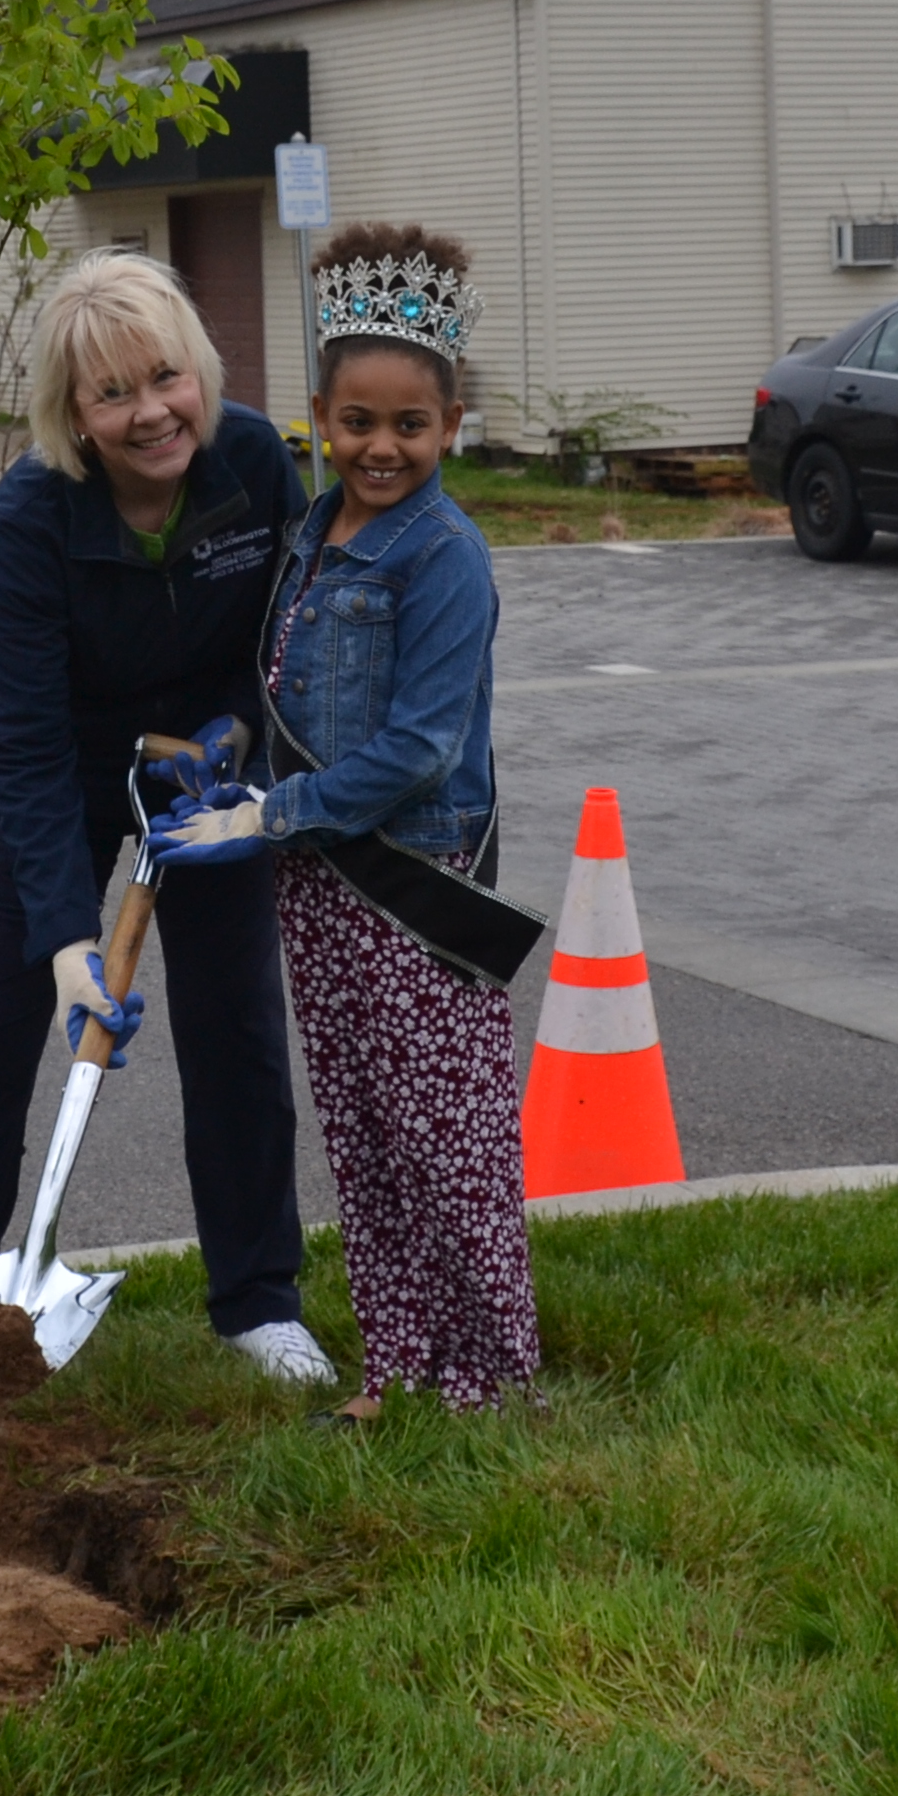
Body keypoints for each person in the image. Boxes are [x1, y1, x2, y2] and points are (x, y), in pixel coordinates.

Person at [0, 250, 336, 1401]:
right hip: (45, 769)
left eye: (166, 376)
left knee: (237, 1027)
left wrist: (239, 745)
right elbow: (22, 742)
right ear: (74, 415)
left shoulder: (253, 461)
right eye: (115, 394)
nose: (152, 412)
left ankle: (258, 1304)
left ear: (198, 370)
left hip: (203, 776)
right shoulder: (31, 516)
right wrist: (64, 945)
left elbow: (290, 652)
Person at [145, 221, 536, 1416]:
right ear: (321, 414)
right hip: (317, 884)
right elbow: (287, 687)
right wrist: (233, 757)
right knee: (364, 1137)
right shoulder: (316, 532)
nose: (381, 448)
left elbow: (418, 747)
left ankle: (492, 1378)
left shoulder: (446, 557)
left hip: (411, 885)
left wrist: (272, 815)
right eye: (358, 423)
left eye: (410, 426)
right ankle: (401, 1364)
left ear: (450, 428)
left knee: (447, 1143)